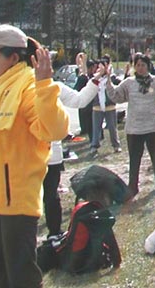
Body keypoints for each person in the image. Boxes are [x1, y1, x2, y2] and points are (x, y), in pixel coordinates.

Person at [0, 25, 68, 288]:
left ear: (13, 57)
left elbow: (55, 129)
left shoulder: (27, 87)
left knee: (21, 278)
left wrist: (45, 85)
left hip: (16, 201)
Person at [43, 63, 102, 240]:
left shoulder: (55, 87)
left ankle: (54, 233)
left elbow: (79, 100)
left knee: (51, 195)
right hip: (25, 155)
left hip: (51, 155)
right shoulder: (18, 89)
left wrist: (96, 79)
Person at [106, 54, 155, 198]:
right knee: (134, 159)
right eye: (137, 65)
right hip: (134, 128)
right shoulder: (128, 83)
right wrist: (107, 80)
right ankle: (133, 186)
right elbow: (116, 96)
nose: (140, 68)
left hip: (153, 127)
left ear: (148, 66)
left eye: (143, 65)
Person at [90, 54, 122, 156]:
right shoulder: (95, 78)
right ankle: (94, 146)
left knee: (112, 128)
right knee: (96, 128)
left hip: (110, 106)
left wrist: (108, 76)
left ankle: (116, 145)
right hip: (97, 106)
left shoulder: (112, 77)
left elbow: (120, 85)